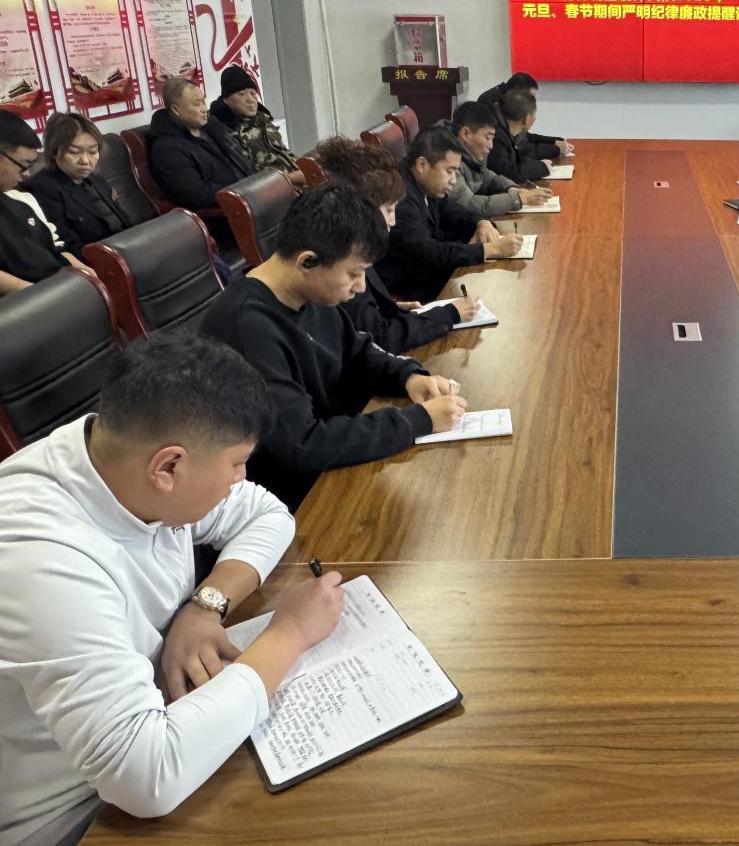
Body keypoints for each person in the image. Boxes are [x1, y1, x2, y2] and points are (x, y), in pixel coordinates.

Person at [0, 331, 345, 845]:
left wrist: (205, 606)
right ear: (169, 467)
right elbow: (147, 777)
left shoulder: (119, 460)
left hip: (164, 719)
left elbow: (269, 515)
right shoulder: (40, 561)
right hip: (79, 816)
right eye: (236, 463)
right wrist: (289, 634)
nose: (241, 478)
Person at [199, 183, 469, 509]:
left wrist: (408, 376)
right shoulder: (247, 326)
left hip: (331, 458)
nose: (361, 287)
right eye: (354, 273)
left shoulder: (310, 292)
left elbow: (358, 354)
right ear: (308, 262)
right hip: (293, 495)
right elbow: (302, 444)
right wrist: (418, 420)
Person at [315, 135, 478, 351]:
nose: (392, 221)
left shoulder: (353, 240)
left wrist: (390, 308)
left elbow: (364, 314)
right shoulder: (342, 253)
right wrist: (447, 315)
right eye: (389, 210)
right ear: (363, 207)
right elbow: (379, 338)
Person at [379, 126, 525, 303]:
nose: (454, 180)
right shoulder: (400, 196)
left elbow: (452, 211)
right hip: (411, 287)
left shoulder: (426, 184)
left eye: (456, 172)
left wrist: (481, 223)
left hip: (429, 273)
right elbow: (428, 252)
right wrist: (491, 250)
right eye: (449, 171)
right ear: (422, 165)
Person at [147, 77, 251, 245]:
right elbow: (196, 195)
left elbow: (242, 162)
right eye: (196, 104)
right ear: (176, 109)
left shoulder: (211, 128)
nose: (204, 109)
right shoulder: (166, 149)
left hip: (248, 200)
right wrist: (242, 193)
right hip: (223, 218)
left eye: (203, 101)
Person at [0, 110, 86, 295]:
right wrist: (43, 298)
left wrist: (87, 277)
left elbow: (57, 249)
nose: (26, 174)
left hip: (58, 289)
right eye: (23, 165)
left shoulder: (21, 200)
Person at [23, 112, 132, 250]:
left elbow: (123, 220)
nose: (85, 161)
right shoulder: (43, 188)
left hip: (127, 245)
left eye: (93, 152)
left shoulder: (94, 177)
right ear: (54, 152)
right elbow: (68, 245)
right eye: (74, 152)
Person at [438, 101, 552, 219]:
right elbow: (468, 205)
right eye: (488, 138)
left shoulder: (468, 151)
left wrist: (512, 189)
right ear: (466, 134)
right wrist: (517, 199)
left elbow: (488, 177)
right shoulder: (445, 157)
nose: (491, 146)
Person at [208, 66, 305, 187]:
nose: (251, 100)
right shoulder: (224, 132)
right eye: (241, 94)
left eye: (253, 93)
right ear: (226, 100)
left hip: (297, 182)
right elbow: (248, 180)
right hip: (276, 191)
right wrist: (292, 178)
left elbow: (284, 153)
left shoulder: (262, 119)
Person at [478, 71, 572, 161]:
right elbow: (520, 150)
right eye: (531, 98)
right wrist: (555, 150)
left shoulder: (504, 102)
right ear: (518, 96)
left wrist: (554, 141)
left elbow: (525, 137)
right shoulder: (493, 110)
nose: (533, 103)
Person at [485, 89, 552, 184]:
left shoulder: (509, 132)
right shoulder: (496, 137)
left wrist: (539, 164)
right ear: (527, 119)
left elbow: (517, 159)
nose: (535, 119)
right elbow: (508, 173)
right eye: (534, 115)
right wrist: (541, 167)